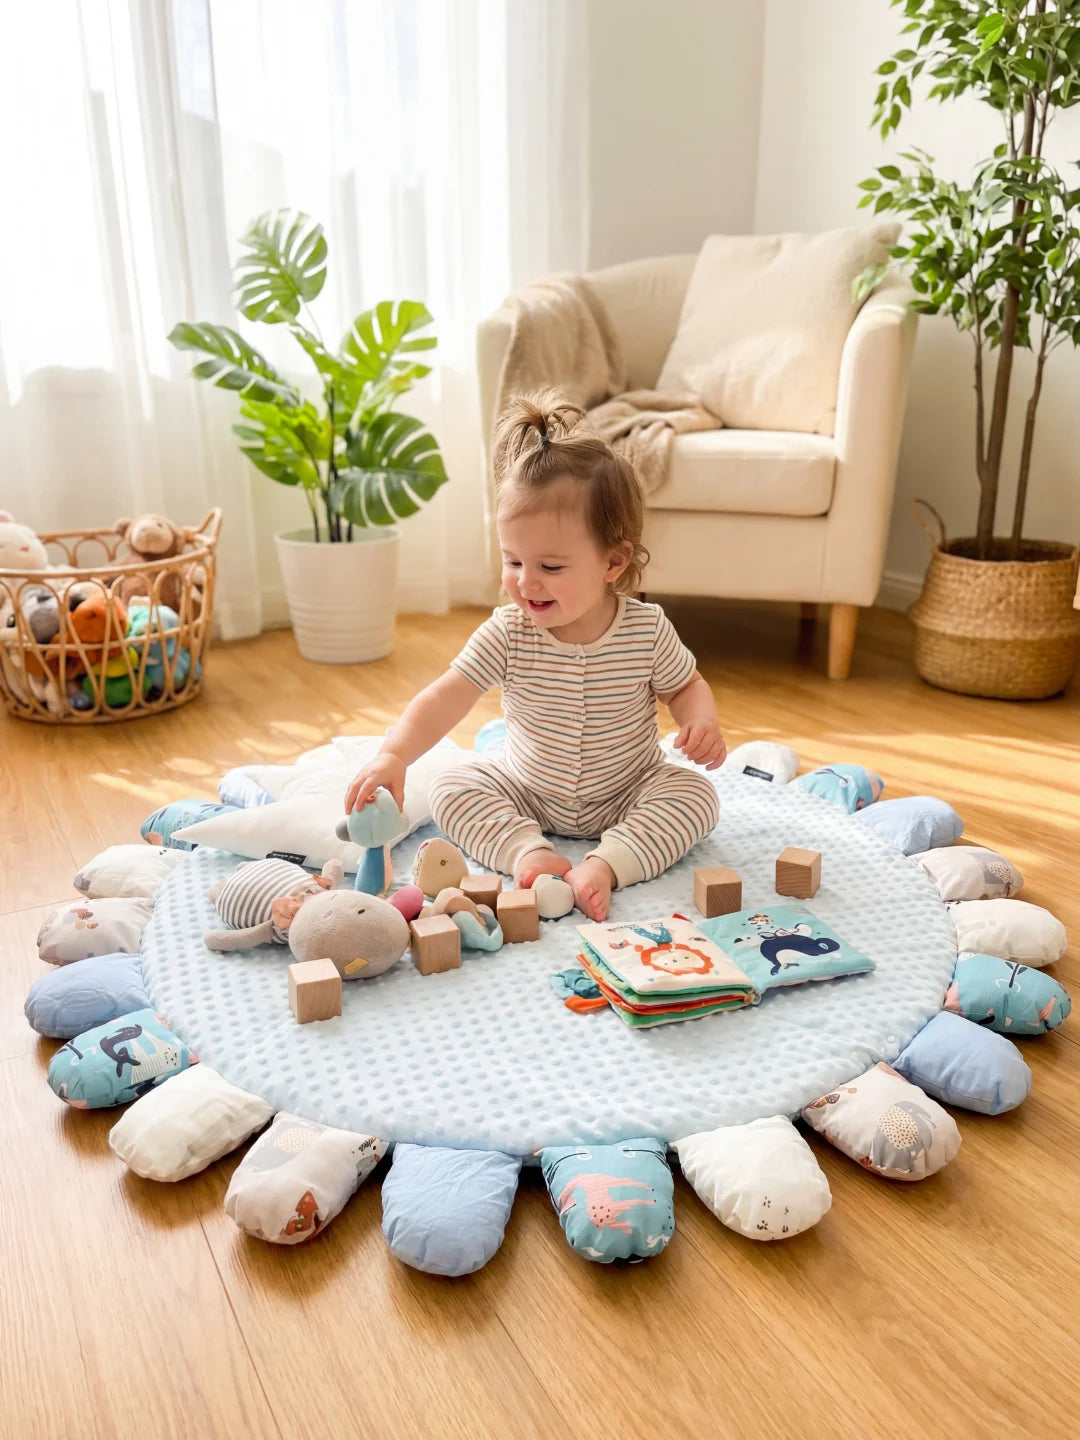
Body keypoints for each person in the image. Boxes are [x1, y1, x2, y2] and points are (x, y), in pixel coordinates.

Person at [345, 391, 725, 922]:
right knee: (451, 786)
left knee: (695, 794)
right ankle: (529, 853)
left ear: (612, 561)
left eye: (550, 565)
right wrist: (395, 756)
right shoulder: (509, 631)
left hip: (628, 790)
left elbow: (685, 687)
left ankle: (610, 863)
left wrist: (700, 719)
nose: (526, 581)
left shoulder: (645, 629)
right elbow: (445, 697)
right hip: (528, 791)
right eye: (513, 560)